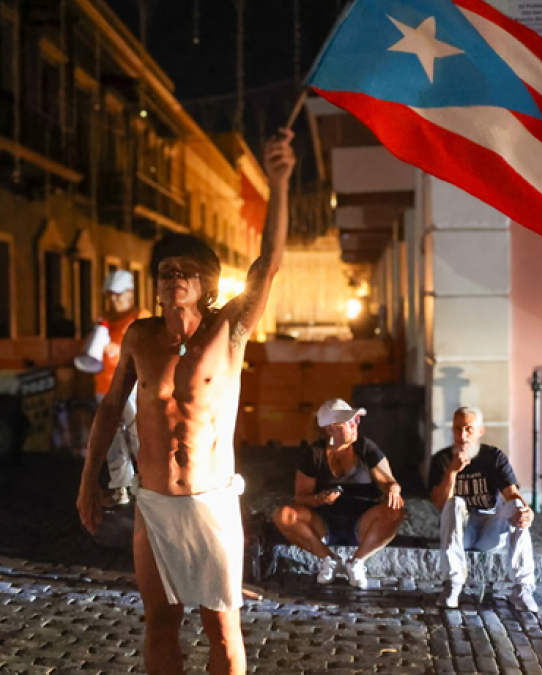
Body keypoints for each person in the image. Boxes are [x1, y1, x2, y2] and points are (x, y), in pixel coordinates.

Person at [77, 129, 295, 675]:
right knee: (160, 620)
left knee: (221, 625)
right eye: (165, 272)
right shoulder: (139, 337)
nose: (172, 278)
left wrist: (279, 183)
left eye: (185, 273)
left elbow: (268, 263)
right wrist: (88, 479)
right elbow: (109, 409)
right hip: (154, 504)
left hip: (211, 503)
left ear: (208, 284)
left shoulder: (230, 330)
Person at [273, 399, 405, 589]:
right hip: (324, 522)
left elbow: (388, 482)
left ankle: (357, 562)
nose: (355, 426)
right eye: (349, 423)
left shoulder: (365, 447)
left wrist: (394, 488)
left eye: (356, 420)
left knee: (395, 511)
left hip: (363, 521)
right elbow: (300, 497)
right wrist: (319, 499)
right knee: (284, 515)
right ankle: (329, 559)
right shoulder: (315, 454)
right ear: (331, 430)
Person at [429, 407, 538, 611]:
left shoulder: (493, 456)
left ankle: (522, 588)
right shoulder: (442, 460)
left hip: (490, 529)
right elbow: (441, 505)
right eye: (458, 428)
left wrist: (527, 510)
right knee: (454, 502)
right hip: (462, 531)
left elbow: (511, 494)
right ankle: (453, 584)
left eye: (469, 429)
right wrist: (451, 472)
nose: (462, 435)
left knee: (517, 507)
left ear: (480, 431)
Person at [77, 269, 146, 507]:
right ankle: (120, 489)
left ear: (130, 293)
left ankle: (149, 485)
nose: (113, 300)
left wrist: (118, 347)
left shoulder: (140, 317)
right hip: (104, 385)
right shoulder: (104, 319)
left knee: (138, 436)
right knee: (113, 439)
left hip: (132, 388)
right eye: (110, 295)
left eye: (118, 294)